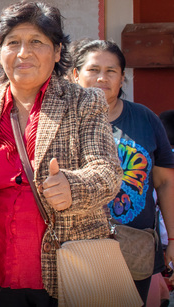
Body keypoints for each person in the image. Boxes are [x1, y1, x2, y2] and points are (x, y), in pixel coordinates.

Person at [0, 0, 123, 307]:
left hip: (63, 274)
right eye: (13, 43)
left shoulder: (83, 102)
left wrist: (73, 187)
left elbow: (106, 171)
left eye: (36, 42)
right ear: (0, 51)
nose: (23, 53)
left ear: (58, 52)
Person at [72, 39, 174, 304]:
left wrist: (172, 238)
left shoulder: (145, 119)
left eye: (111, 71)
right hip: (76, 248)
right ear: (76, 75)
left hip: (134, 248)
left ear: (122, 78)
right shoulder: (62, 122)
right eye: (93, 70)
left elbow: (165, 183)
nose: (102, 78)